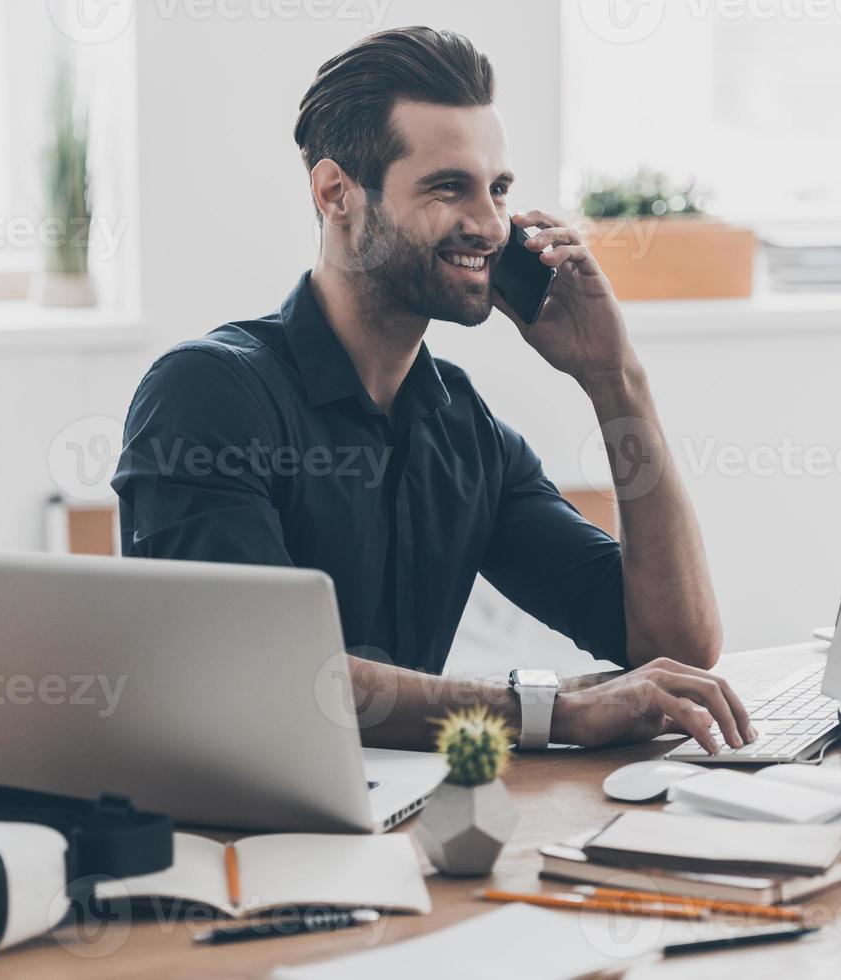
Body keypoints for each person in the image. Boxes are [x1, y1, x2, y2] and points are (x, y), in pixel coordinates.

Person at [112, 26, 756, 754]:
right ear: (336, 194)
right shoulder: (208, 393)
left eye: (499, 189)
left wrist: (615, 380)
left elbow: (671, 644)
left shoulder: (462, 428)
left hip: (400, 819)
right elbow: (261, 674)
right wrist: (550, 712)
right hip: (233, 833)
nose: (488, 225)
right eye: (449, 187)